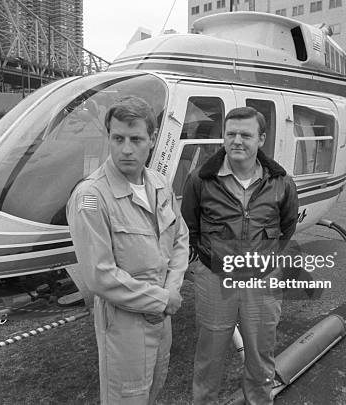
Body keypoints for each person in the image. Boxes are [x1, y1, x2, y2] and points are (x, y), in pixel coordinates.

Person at [66, 96, 189, 405]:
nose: (126, 149)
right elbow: (100, 276)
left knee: (154, 388)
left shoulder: (159, 184)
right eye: (117, 138)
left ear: (152, 139)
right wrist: (163, 299)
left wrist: (171, 290)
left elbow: (180, 238)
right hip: (124, 326)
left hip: (162, 317)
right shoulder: (92, 197)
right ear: (109, 138)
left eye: (136, 139)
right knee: (126, 398)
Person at [181, 106, 299, 405]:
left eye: (245, 135)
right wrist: (203, 266)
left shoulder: (281, 183)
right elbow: (189, 228)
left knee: (261, 357)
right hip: (215, 279)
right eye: (230, 133)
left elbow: (287, 226)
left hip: (262, 280)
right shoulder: (201, 180)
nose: (237, 141)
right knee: (210, 357)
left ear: (261, 139)